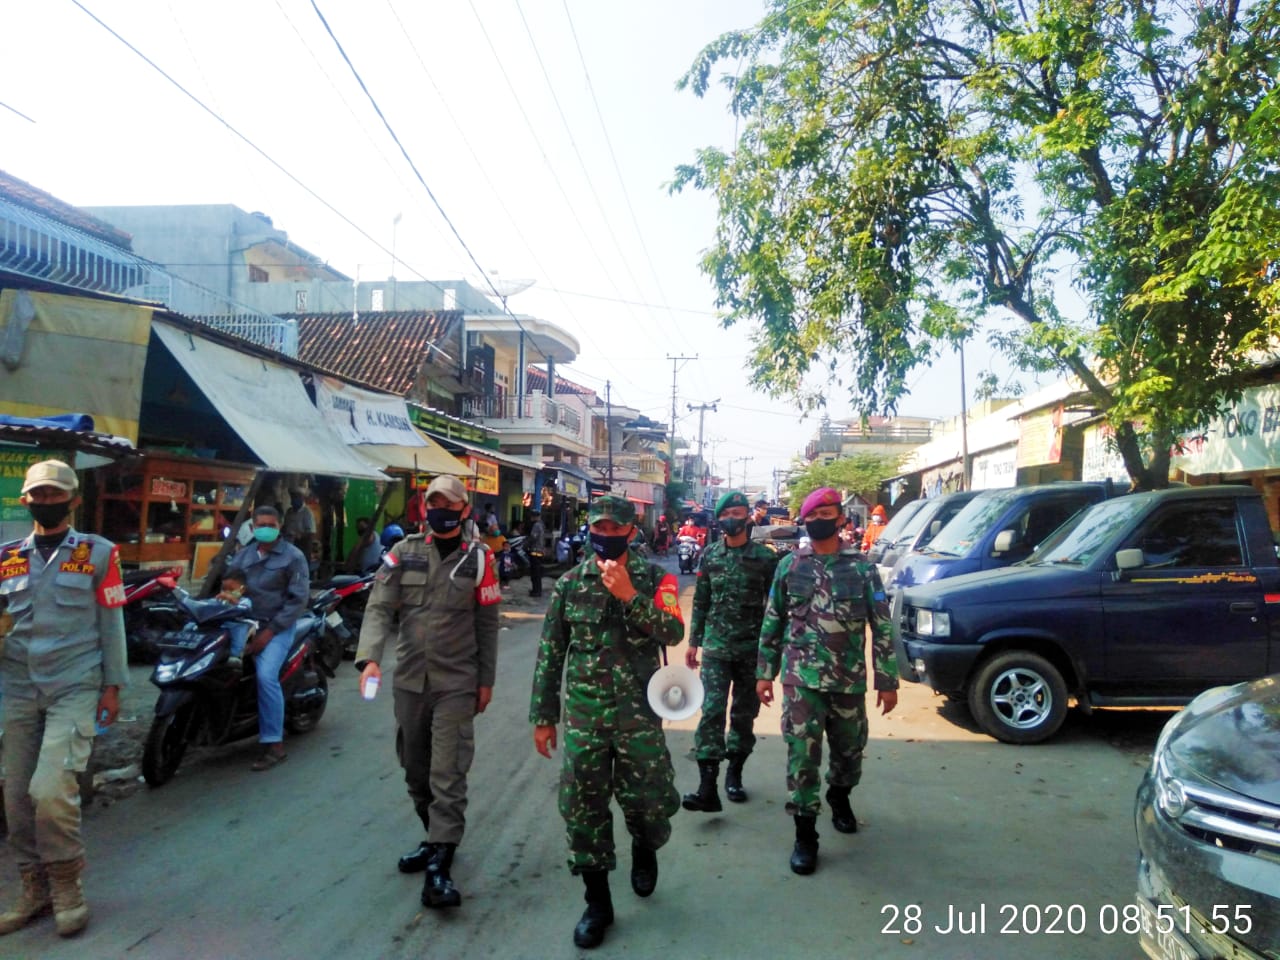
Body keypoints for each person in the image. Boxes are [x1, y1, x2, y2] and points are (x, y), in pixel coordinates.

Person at [530, 495, 683, 950]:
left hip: (639, 715)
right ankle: (597, 903)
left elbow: (672, 630)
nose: (607, 536)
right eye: (601, 527)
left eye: (617, 529)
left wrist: (630, 597)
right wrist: (543, 716)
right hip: (584, 716)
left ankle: (644, 846)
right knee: (582, 810)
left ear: (632, 533)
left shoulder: (658, 577)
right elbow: (550, 652)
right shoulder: (570, 584)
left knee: (650, 802)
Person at [356, 475, 501, 910]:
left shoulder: (479, 559)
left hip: (456, 682)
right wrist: (370, 658)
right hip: (410, 682)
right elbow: (379, 606)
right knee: (415, 770)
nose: (438, 509)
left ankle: (440, 862)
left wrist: (485, 681)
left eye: (447, 503)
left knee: (447, 772)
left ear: (462, 509)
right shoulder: (402, 553)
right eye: (432, 502)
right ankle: (434, 835)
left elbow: (488, 625)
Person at [0, 459, 127, 938]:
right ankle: (33, 890)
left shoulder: (99, 553)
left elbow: (111, 622)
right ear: (25, 499)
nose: (46, 502)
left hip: (74, 683)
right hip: (16, 687)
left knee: (50, 791)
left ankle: (67, 886)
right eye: (38, 495)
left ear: (74, 500)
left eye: (55, 495)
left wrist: (113, 686)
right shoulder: (6, 556)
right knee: (15, 798)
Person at [756, 487, 898, 876]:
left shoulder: (862, 569)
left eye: (828, 513)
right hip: (801, 682)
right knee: (802, 757)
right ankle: (805, 834)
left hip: (848, 682)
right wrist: (764, 673)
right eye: (813, 514)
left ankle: (839, 795)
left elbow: (881, 626)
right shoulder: (790, 567)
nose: (820, 519)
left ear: (840, 518)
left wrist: (888, 679)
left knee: (850, 753)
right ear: (805, 519)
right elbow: (772, 620)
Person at [682, 491, 779, 812]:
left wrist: (771, 655)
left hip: (751, 650)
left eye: (739, 512)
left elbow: (776, 609)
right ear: (720, 519)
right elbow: (701, 601)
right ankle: (707, 786)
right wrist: (693, 641)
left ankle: (734, 774)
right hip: (716, 648)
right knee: (711, 712)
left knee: (743, 715)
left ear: (748, 517)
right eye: (728, 513)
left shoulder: (765, 559)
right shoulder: (710, 555)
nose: (733, 518)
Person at [225, 504, 310, 771]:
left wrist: (268, 633)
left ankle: (274, 744)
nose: (265, 529)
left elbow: (297, 601)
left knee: (265, 676)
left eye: (271, 525)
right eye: (260, 524)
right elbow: (231, 584)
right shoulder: (243, 555)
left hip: (277, 627)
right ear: (253, 525)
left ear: (280, 526)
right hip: (243, 623)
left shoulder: (293, 557)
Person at [215, 569, 255, 671]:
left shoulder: (246, 601)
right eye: (224, 589)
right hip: (221, 623)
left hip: (236, 623)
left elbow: (245, 608)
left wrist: (231, 599)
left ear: (242, 589)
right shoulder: (221, 600)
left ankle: (235, 655)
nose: (227, 592)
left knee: (239, 630)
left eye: (231, 589)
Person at [282, 490, 316, 564]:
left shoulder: (307, 512)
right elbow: (285, 526)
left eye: (295, 499)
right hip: (287, 545)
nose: (293, 501)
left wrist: (299, 535)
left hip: (301, 545)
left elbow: (311, 533)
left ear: (301, 499)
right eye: (292, 499)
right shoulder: (289, 511)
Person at [481, 520, 510, 588]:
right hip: (489, 556)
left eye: (497, 529)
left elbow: (507, 549)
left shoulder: (502, 538)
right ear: (490, 531)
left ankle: (503, 581)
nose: (496, 531)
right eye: (494, 530)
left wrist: (499, 558)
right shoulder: (486, 539)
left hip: (500, 556)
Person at [527, 509, 546, 598]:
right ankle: (537, 590)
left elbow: (533, 537)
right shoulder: (541, 525)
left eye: (532, 516)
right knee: (537, 573)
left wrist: (526, 544)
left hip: (535, 551)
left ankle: (536, 591)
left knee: (535, 573)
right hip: (540, 551)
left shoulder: (536, 525)